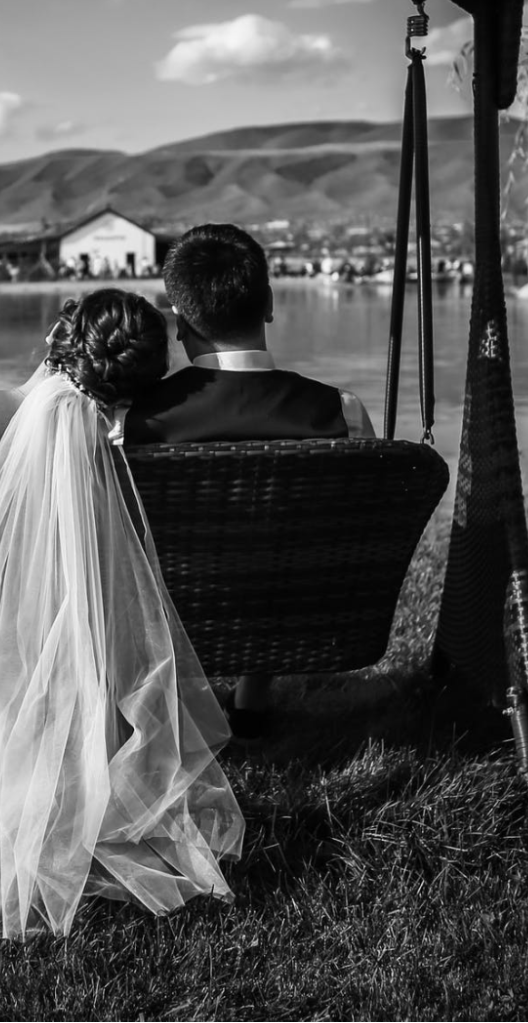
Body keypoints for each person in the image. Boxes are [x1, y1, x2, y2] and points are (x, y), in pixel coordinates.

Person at [0, 289, 244, 939]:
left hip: (0, 635)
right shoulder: (100, 437)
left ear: (64, 342)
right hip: (100, 653)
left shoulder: (35, 418)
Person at [124, 223, 377, 734]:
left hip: (168, 614)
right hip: (301, 618)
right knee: (276, 543)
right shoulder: (341, 413)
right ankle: (253, 697)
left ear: (178, 322)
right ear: (268, 305)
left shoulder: (133, 421)